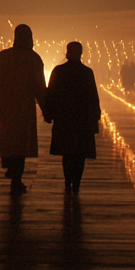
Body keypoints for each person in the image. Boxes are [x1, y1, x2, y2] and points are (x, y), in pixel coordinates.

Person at [0, 24, 47, 196]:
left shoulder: (5, 55)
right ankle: (17, 176)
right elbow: (39, 85)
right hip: (24, 106)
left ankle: (9, 165)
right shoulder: (34, 58)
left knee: (8, 137)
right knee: (21, 141)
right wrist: (46, 108)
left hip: (7, 105)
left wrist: (6, 92)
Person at [42, 42, 100, 194]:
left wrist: (48, 112)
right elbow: (93, 96)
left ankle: (68, 180)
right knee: (79, 153)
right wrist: (95, 116)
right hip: (82, 118)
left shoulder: (59, 71)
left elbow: (51, 94)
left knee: (67, 153)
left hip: (64, 117)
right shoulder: (87, 72)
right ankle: (77, 183)